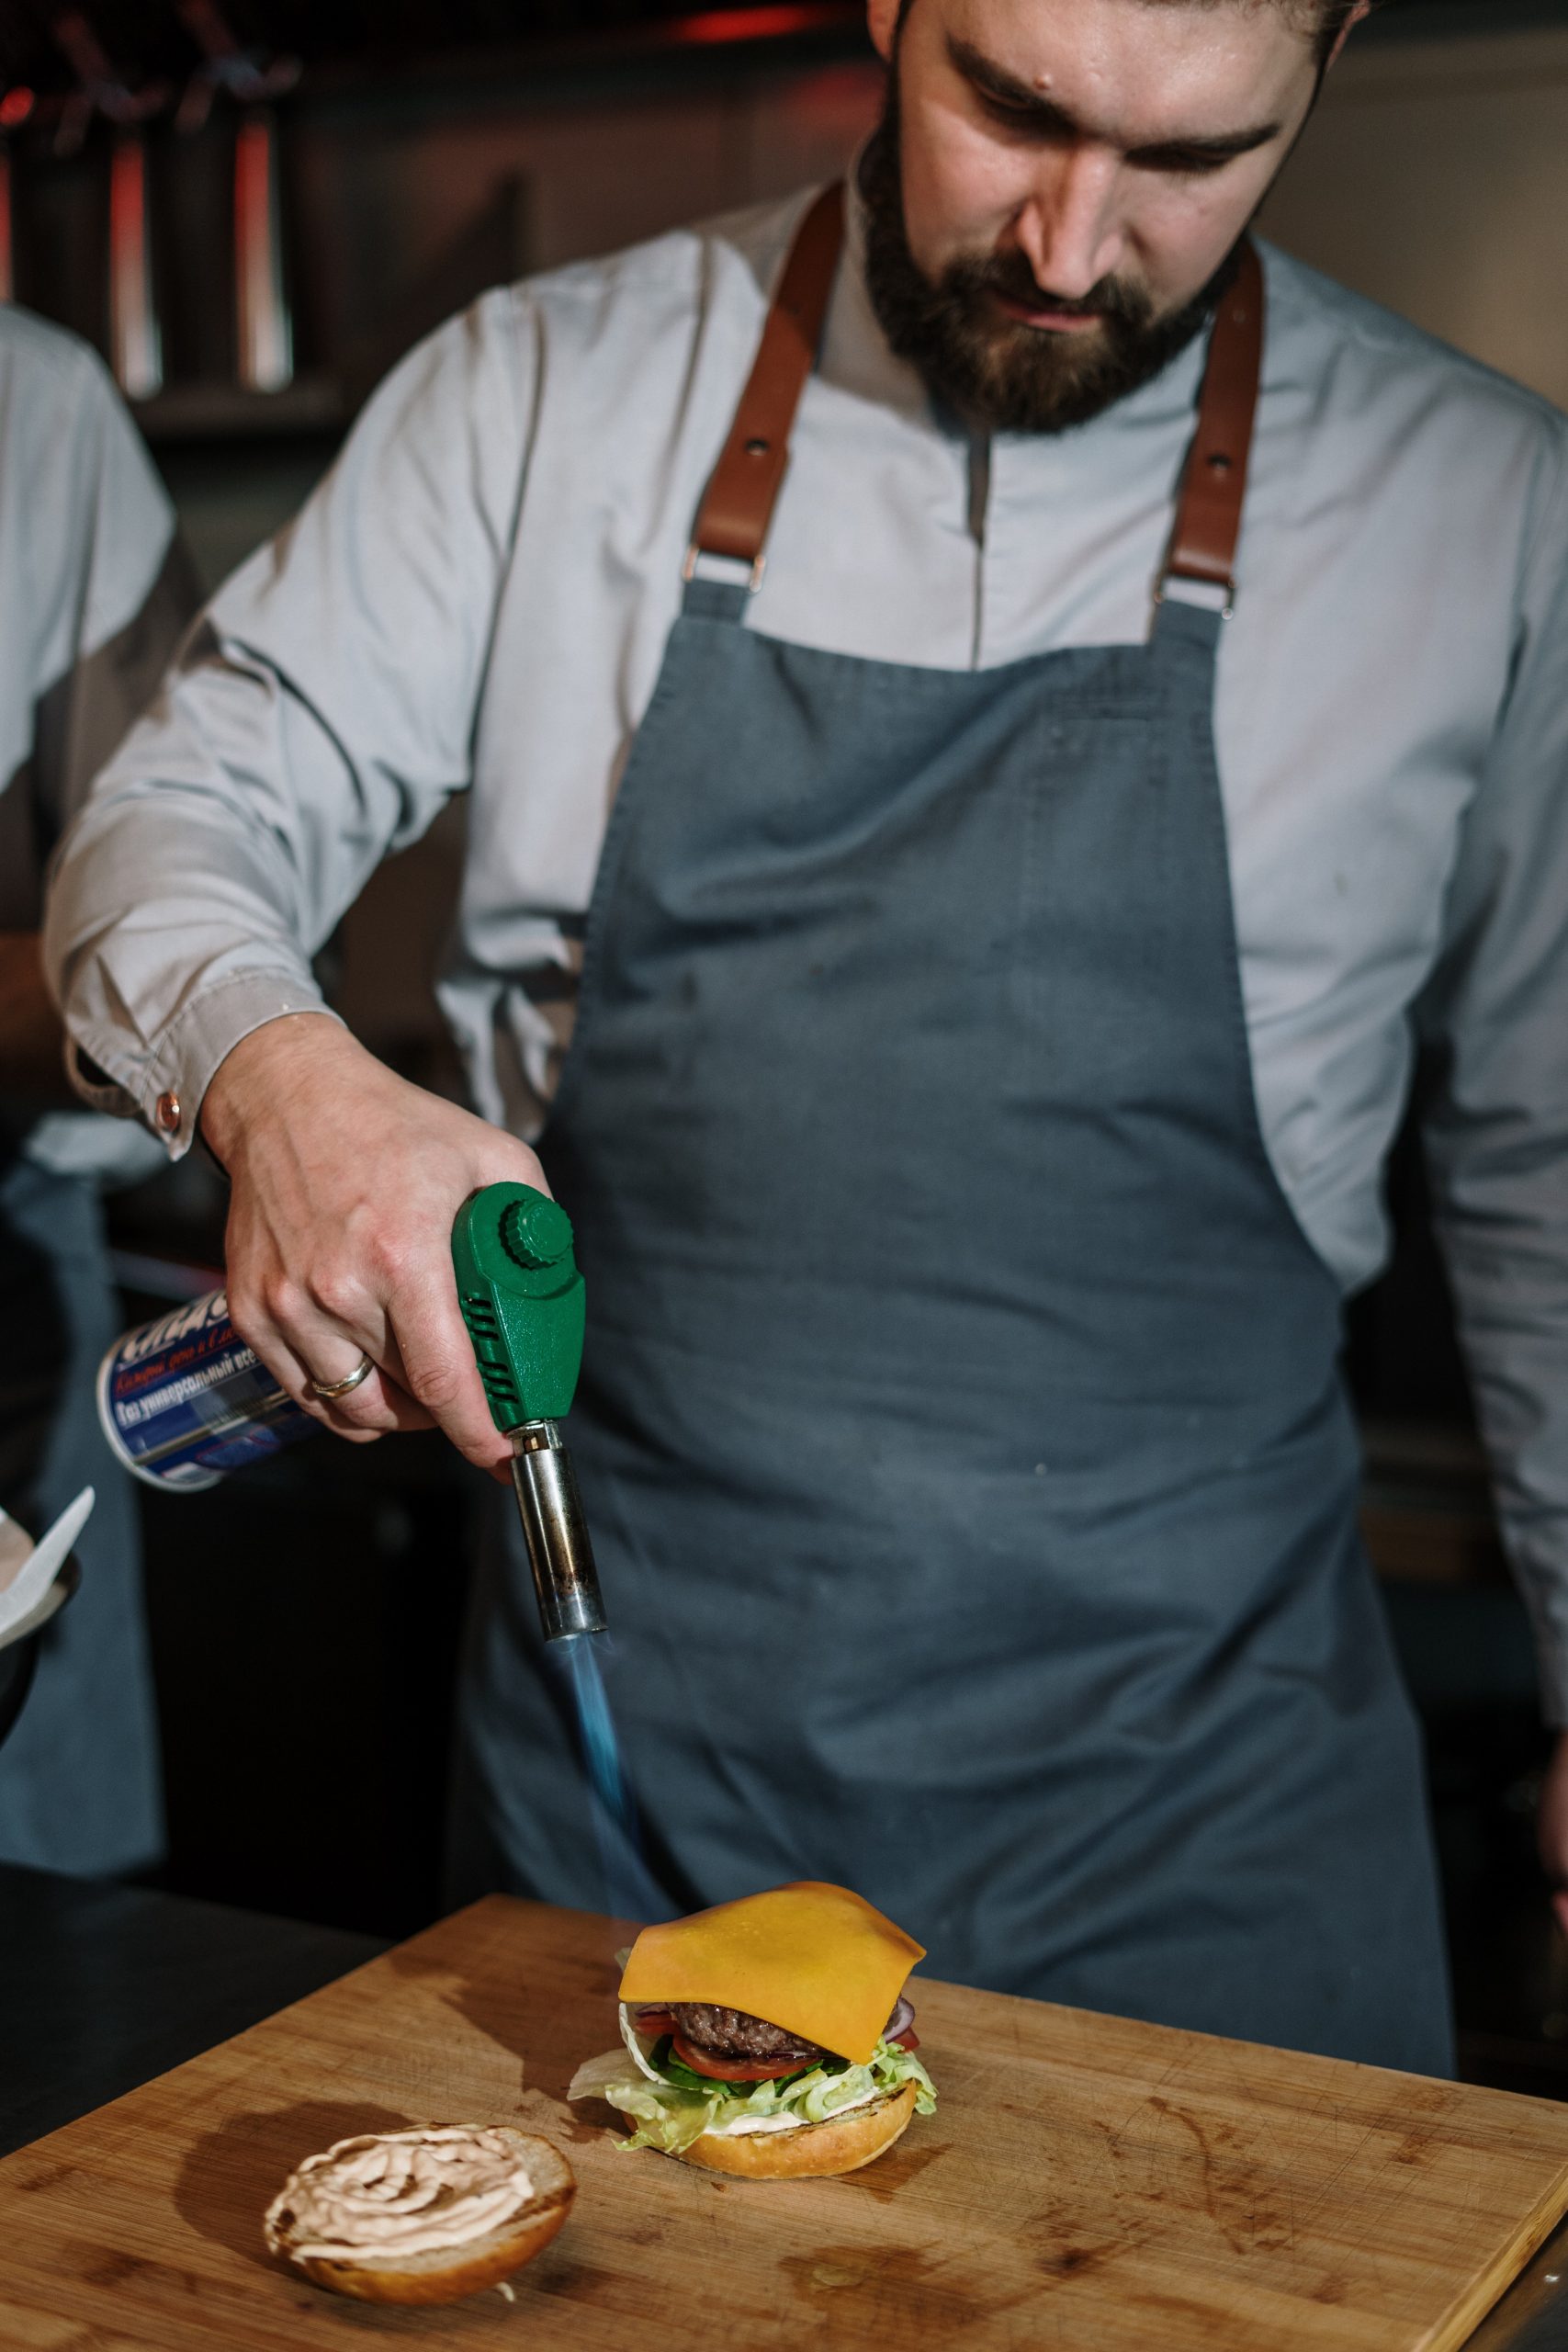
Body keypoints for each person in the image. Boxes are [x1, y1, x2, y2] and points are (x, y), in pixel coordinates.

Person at [44, 0, 1568, 2072]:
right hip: (634, 1796)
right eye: (1007, 108)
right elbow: (173, 810)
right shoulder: (541, 395)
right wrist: (278, 1078)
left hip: (1212, 1835)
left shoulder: (1480, 508)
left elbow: (1544, 1175)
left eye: (1193, 158)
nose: (1063, 239)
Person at [0, 303, 195, 1871]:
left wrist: (263, 1063)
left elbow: (165, 897)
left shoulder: (27, 413)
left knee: (54, 1981)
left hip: (4, 1270)